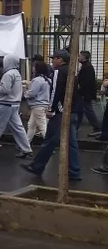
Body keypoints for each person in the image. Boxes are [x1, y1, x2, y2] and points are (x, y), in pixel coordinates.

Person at [21, 49, 83, 181]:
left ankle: (37, 166)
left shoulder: (58, 72)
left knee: (49, 140)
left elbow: (55, 91)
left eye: (54, 58)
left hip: (61, 113)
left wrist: (51, 109)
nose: (52, 61)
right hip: (72, 111)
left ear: (60, 59)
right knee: (71, 143)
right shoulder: (72, 71)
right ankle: (74, 171)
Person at [0, 54, 33, 158]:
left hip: (5, 104)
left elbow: (4, 90)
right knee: (18, 128)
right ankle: (26, 149)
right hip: (14, 104)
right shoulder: (17, 73)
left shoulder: (8, 74)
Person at [25, 60, 52, 142]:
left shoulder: (36, 80)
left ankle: (48, 145)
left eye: (34, 67)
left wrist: (25, 92)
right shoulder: (48, 80)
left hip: (37, 105)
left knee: (42, 126)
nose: (33, 68)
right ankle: (26, 145)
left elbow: (32, 94)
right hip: (43, 104)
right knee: (31, 125)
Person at [78, 50, 101, 136]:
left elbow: (87, 83)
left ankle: (97, 128)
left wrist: (84, 94)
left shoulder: (87, 67)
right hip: (84, 94)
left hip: (85, 94)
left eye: (80, 56)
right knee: (80, 110)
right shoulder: (85, 66)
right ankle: (75, 126)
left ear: (84, 58)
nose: (78, 57)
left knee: (88, 111)